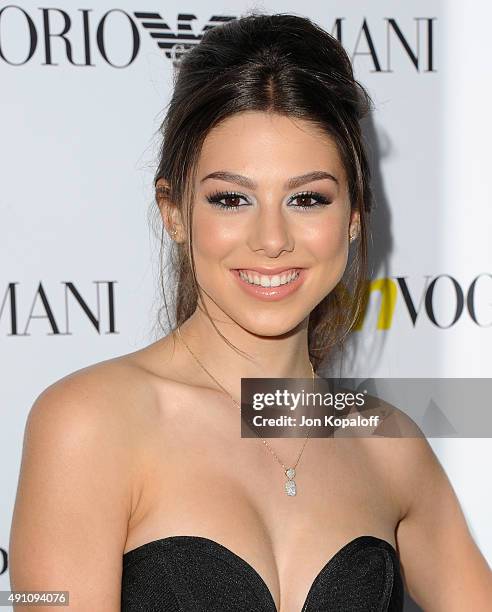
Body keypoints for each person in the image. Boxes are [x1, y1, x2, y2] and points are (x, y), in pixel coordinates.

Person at [8, 12, 492, 612]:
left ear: (354, 216)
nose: (270, 239)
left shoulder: (386, 442)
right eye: (231, 198)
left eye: (307, 198)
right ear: (175, 211)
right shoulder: (88, 422)